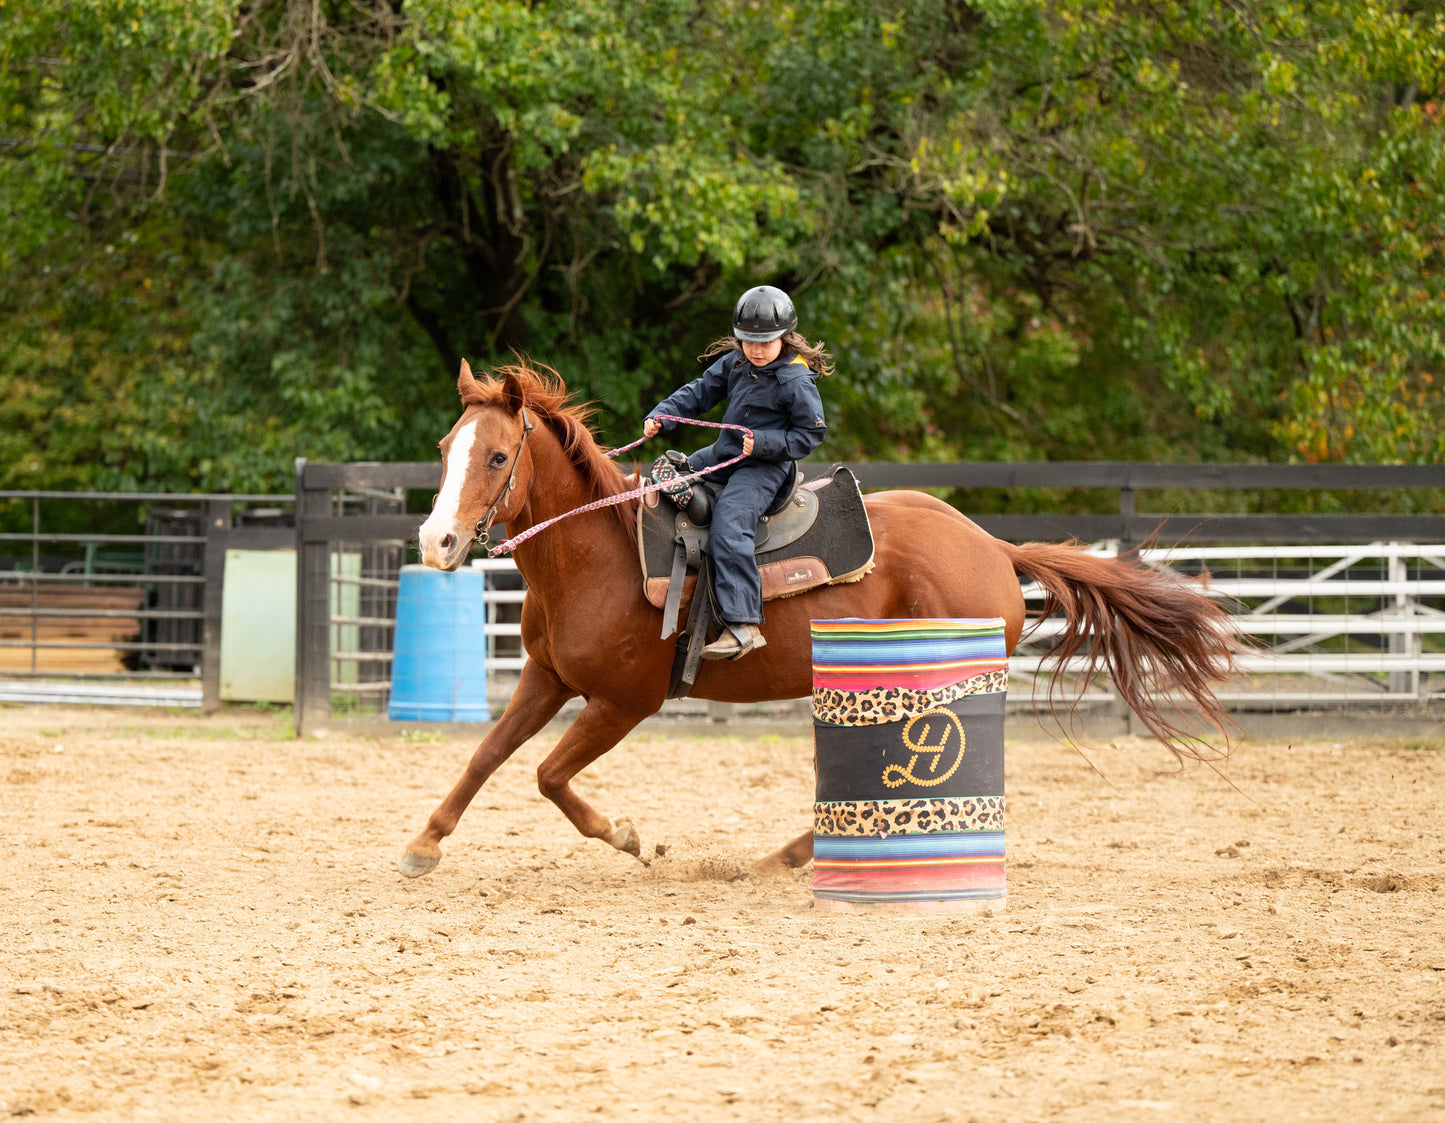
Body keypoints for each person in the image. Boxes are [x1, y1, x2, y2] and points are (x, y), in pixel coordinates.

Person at [643, 284, 833, 660]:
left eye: (765, 342)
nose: (756, 350)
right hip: (723, 454)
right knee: (662, 479)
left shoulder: (795, 380)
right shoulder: (737, 362)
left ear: (785, 337)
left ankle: (743, 625)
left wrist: (762, 444)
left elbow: (811, 434)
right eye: (748, 341)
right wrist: (662, 415)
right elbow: (700, 390)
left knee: (730, 525)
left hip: (763, 471)